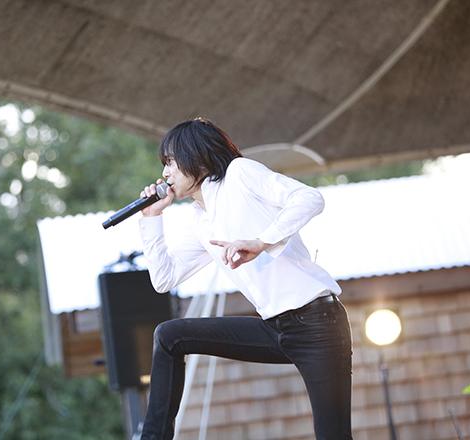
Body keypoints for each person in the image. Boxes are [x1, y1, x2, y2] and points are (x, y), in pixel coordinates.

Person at [137, 117, 353, 440]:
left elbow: (309, 198)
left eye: (170, 162)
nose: (165, 173)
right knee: (169, 336)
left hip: (317, 322)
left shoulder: (239, 174)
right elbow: (163, 279)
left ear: (195, 155)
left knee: (333, 436)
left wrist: (262, 242)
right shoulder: (199, 220)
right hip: (274, 327)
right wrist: (152, 218)